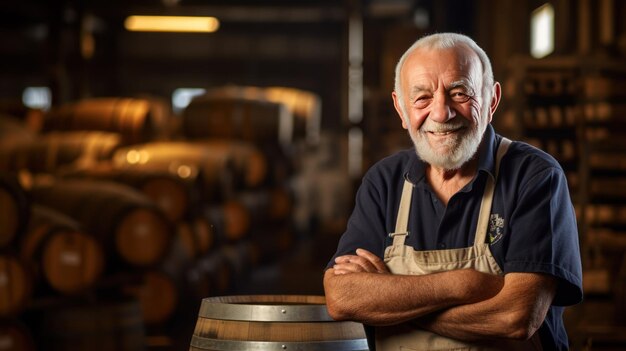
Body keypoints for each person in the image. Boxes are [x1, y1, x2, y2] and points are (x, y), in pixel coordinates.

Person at [323, 32, 583, 351]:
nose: (441, 113)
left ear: (492, 100)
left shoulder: (536, 178)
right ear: (401, 109)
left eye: (460, 93)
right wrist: (463, 284)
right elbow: (340, 297)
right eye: (421, 98)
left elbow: (516, 317)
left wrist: (392, 304)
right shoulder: (384, 182)